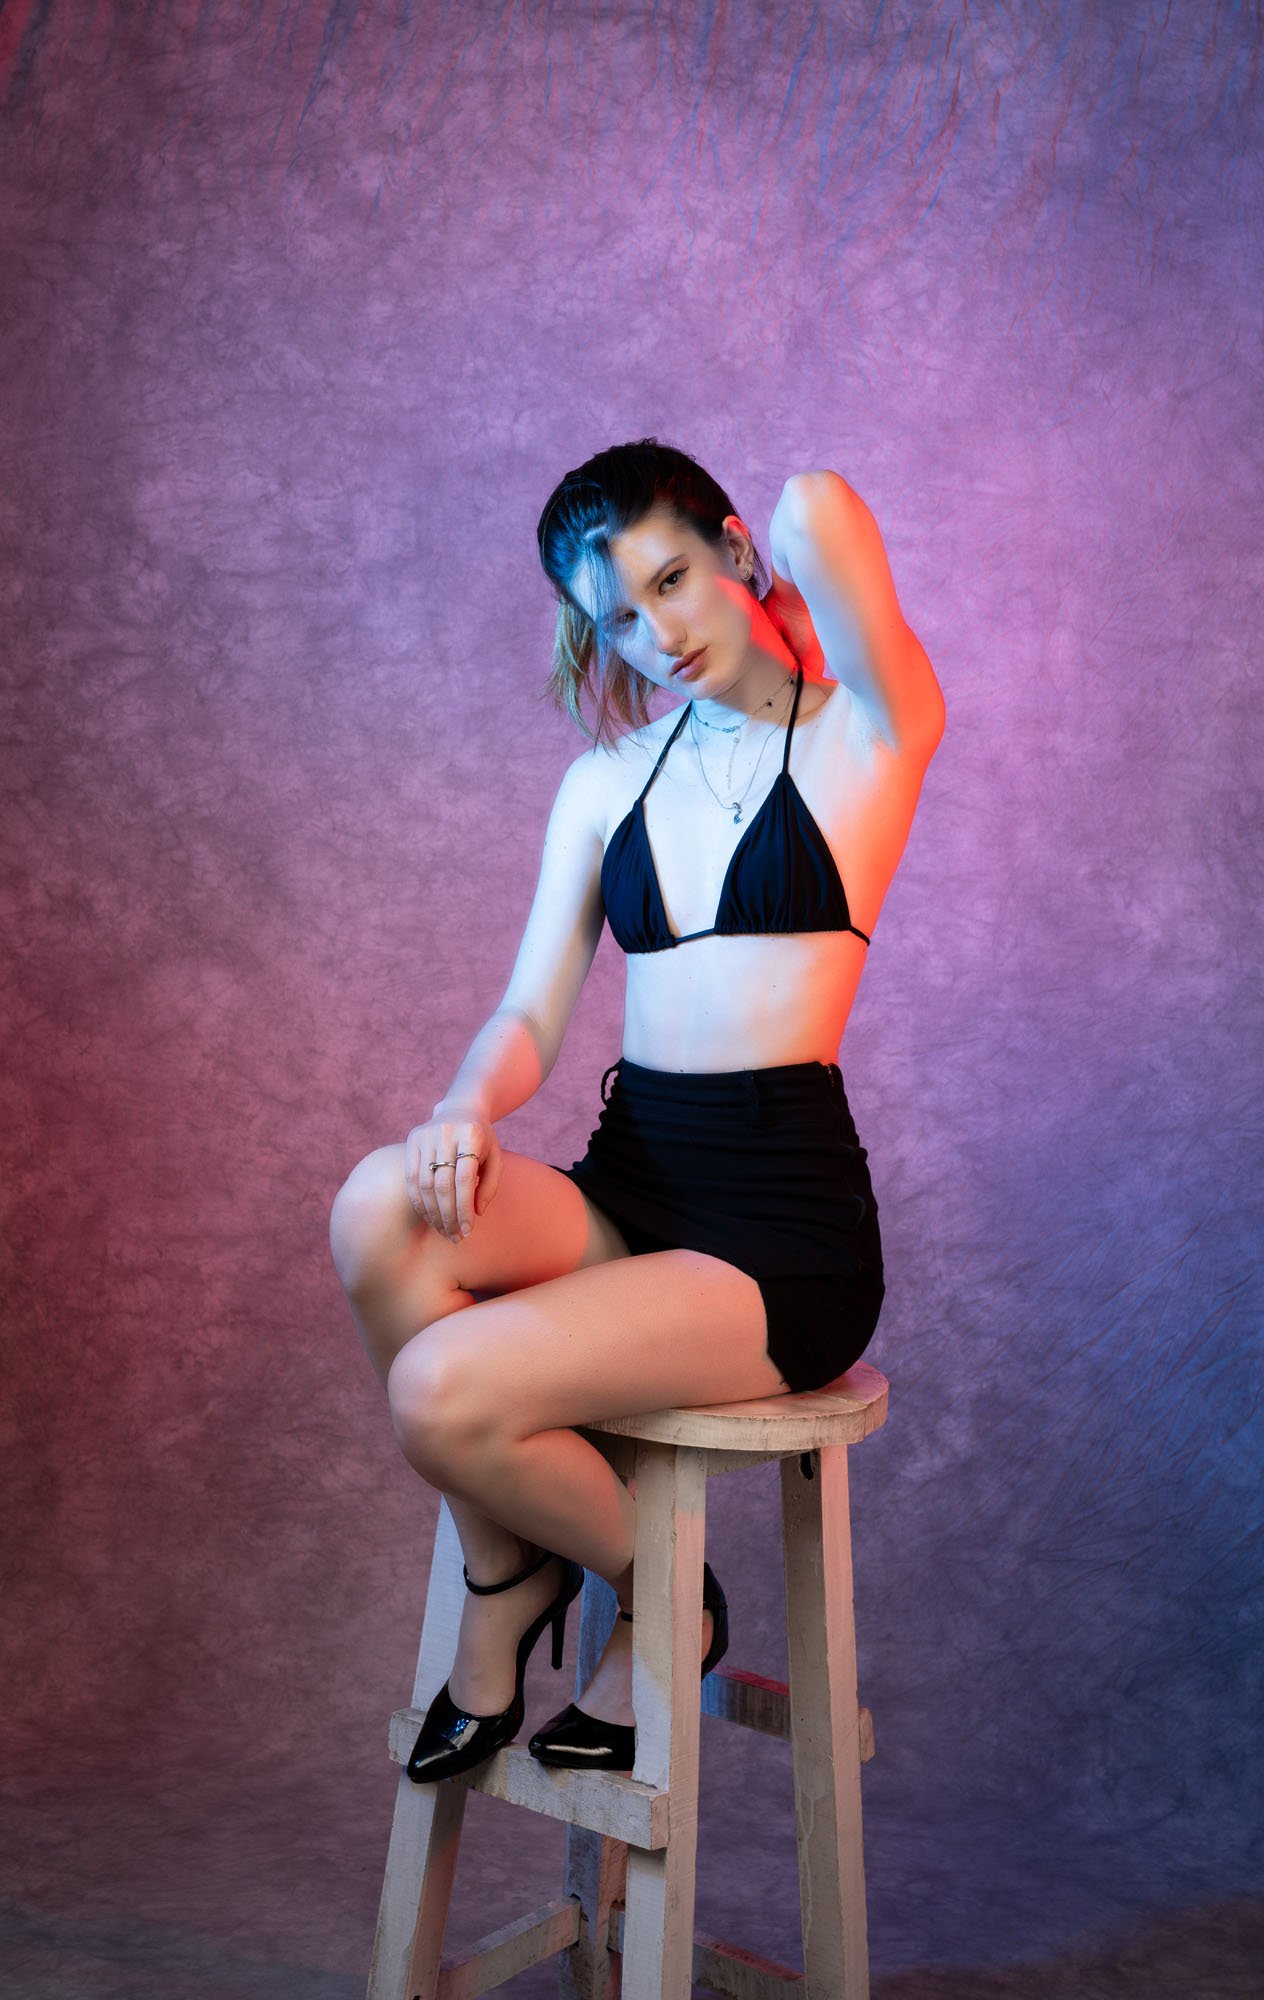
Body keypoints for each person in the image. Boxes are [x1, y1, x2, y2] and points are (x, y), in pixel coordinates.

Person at [328, 438, 944, 1781]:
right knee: (377, 1203)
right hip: (632, 1184)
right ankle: (521, 1571)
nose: (658, 635)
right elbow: (530, 1014)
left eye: (674, 580)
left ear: (736, 550)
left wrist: (776, 596)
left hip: (776, 1240)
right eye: (618, 618)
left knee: (439, 1390)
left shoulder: (869, 733)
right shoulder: (608, 782)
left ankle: (658, 1600)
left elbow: (820, 509)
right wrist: (464, 1103)